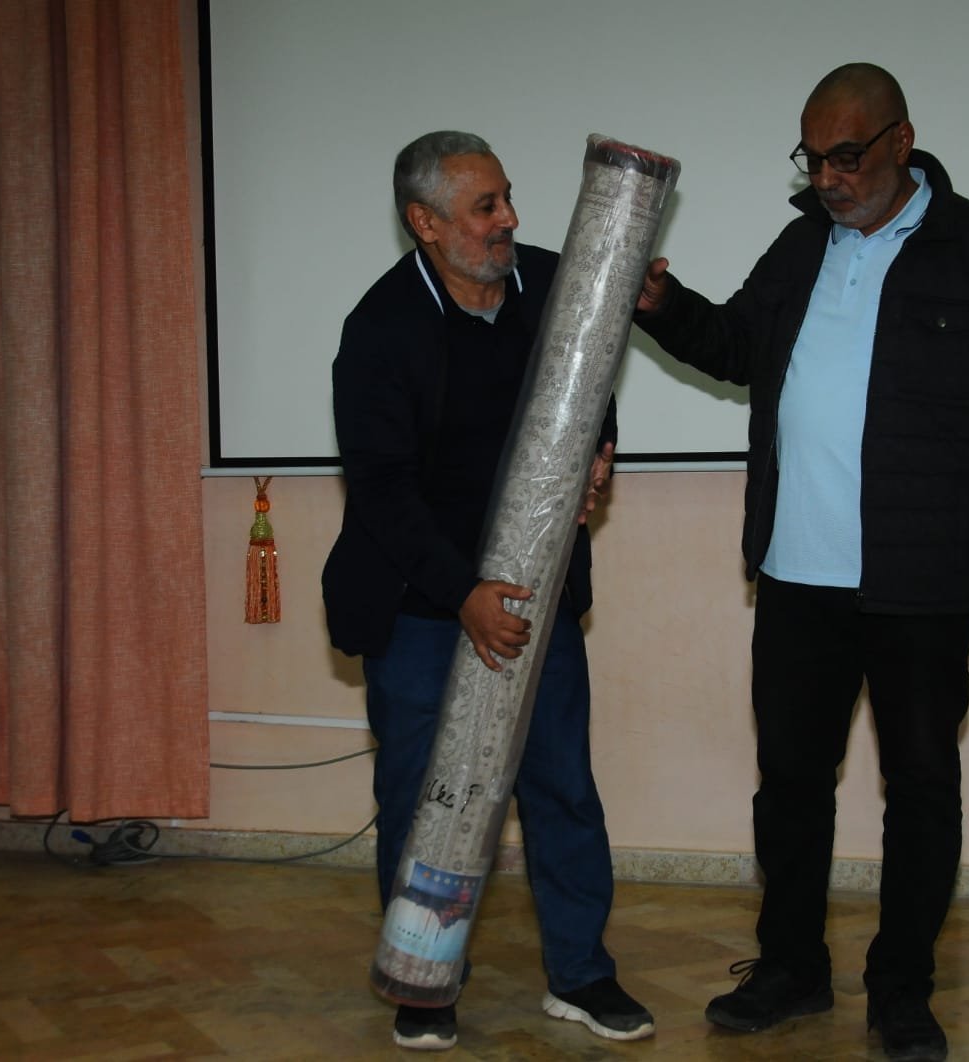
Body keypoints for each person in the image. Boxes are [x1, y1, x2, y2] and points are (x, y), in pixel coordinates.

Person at [634, 64, 969, 1061]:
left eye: (845, 157)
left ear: (899, 141)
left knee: (920, 787)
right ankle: (791, 968)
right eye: (813, 159)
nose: (827, 179)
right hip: (797, 572)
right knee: (790, 782)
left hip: (919, 577)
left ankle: (902, 989)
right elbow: (737, 346)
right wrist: (664, 303)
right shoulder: (802, 244)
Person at [321, 130, 651, 1052]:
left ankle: (582, 975)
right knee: (423, 793)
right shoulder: (380, 330)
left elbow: (593, 384)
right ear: (425, 223)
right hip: (422, 603)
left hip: (537, 597)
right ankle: (426, 981)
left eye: (506, 197)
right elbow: (381, 489)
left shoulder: (548, 283)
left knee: (561, 787)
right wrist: (463, 591)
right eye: (484, 207)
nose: (508, 219)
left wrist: (600, 450)